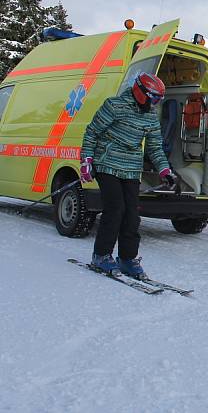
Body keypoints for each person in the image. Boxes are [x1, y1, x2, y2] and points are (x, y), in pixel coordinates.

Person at [80, 72, 177, 279]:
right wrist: (87, 160)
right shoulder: (114, 106)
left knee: (132, 215)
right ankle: (101, 255)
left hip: (131, 168)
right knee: (115, 209)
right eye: (153, 98)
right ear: (140, 92)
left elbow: (155, 147)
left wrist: (164, 170)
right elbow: (92, 133)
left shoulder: (150, 116)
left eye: (158, 100)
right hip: (107, 163)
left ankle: (127, 259)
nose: (155, 104)